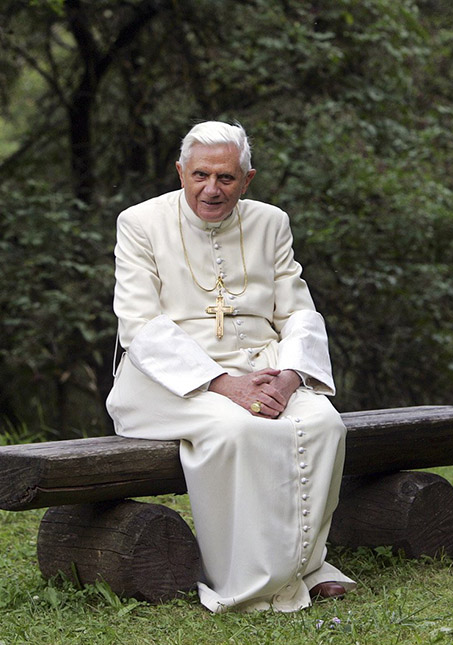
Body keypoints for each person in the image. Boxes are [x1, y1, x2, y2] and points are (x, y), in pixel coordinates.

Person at [106, 120, 355, 613]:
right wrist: (224, 384)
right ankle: (246, 579)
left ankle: (306, 565)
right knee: (238, 432)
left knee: (325, 424)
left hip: (264, 369)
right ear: (180, 172)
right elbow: (140, 325)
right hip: (170, 381)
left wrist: (288, 378)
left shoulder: (271, 221)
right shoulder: (139, 222)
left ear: (248, 179)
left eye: (225, 178)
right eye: (200, 175)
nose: (211, 190)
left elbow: (298, 309)